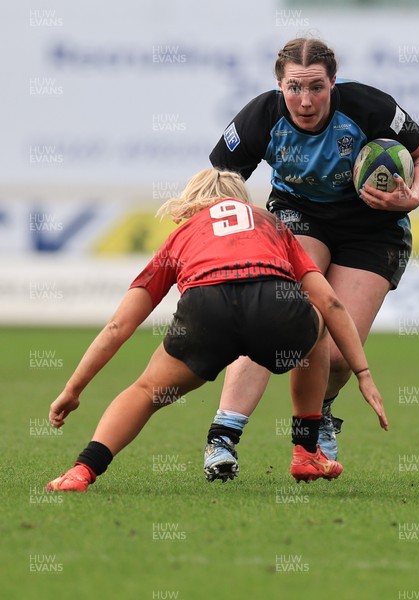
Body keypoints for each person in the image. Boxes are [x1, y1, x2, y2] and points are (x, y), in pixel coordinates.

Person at [46, 168, 387, 493]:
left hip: (206, 311)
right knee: (318, 322)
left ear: (190, 202)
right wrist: (363, 373)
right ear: (243, 201)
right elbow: (331, 304)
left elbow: (119, 326)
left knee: (146, 391)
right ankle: (306, 450)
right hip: (273, 307)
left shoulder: (182, 234)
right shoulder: (272, 224)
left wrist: (73, 389)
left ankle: (82, 470)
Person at [203, 36, 419, 478]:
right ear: (279, 84)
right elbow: (220, 182)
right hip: (299, 214)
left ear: (334, 82)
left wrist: (414, 197)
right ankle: (223, 437)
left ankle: (322, 412)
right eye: (294, 88)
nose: (305, 100)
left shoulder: (368, 107)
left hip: (374, 229)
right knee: (276, 315)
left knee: (334, 356)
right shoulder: (261, 117)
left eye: (316, 88)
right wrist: (243, 226)